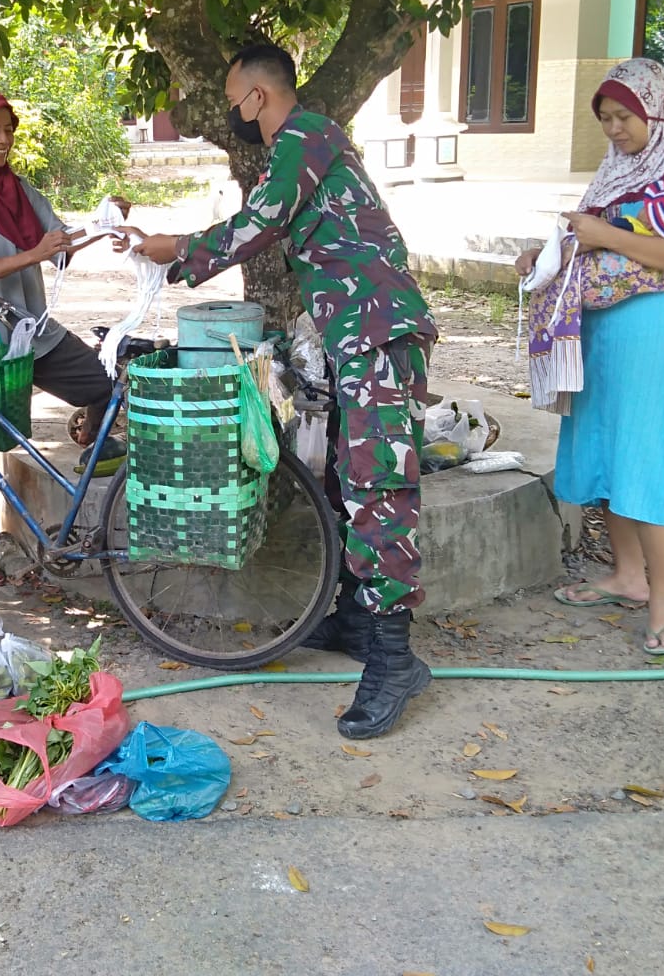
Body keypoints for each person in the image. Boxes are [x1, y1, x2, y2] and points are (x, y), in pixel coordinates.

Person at [124, 44, 438, 740]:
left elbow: (262, 220)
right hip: (353, 331)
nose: (236, 115)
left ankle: (394, 660)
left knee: (377, 486)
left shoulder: (306, 137)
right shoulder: (310, 144)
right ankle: (360, 619)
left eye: (235, 102)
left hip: (377, 331)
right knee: (348, 480)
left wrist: (178, 250)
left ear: (258, 96)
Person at [517, 57, 664, 656]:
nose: (614, 128)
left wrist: (605, 237)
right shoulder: (618, 168)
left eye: (624, 116)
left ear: (658, 110)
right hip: (602, 328)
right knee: (610, 444)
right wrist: (546, 253)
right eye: (606, 118)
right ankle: (628, 576)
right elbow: (592, 235)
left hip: (652, 332)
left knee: (647, 449)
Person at [0, 89, 120, 587]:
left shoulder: (16, 187)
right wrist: (35, 252)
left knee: (106, 384)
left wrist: (105, 222)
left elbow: (59, 243)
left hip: (32, 332)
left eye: (8, 130)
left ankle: (89, 451)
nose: (2, 140)